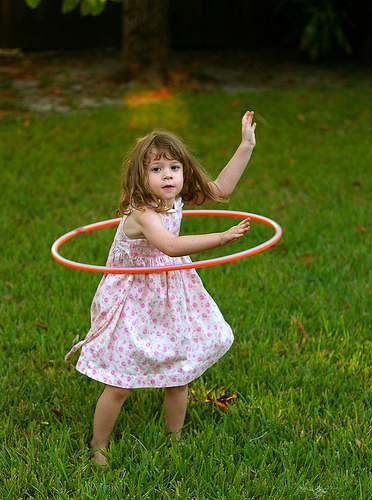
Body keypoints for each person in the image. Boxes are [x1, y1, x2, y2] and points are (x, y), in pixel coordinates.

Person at [65, 111, 257, 467]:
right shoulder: (142, 212)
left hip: (170, 292)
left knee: (179, 373)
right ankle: (98, 445)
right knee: (120, 383)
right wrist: (222, 237)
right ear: (140, 177)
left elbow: (223, 190)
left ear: (184, 172)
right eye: (156, 169)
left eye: (173, 167)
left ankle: (175, 440)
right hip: (133, 297)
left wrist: (245, 145)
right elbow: (169, 245)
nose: (167, 175)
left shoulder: (177, 198)